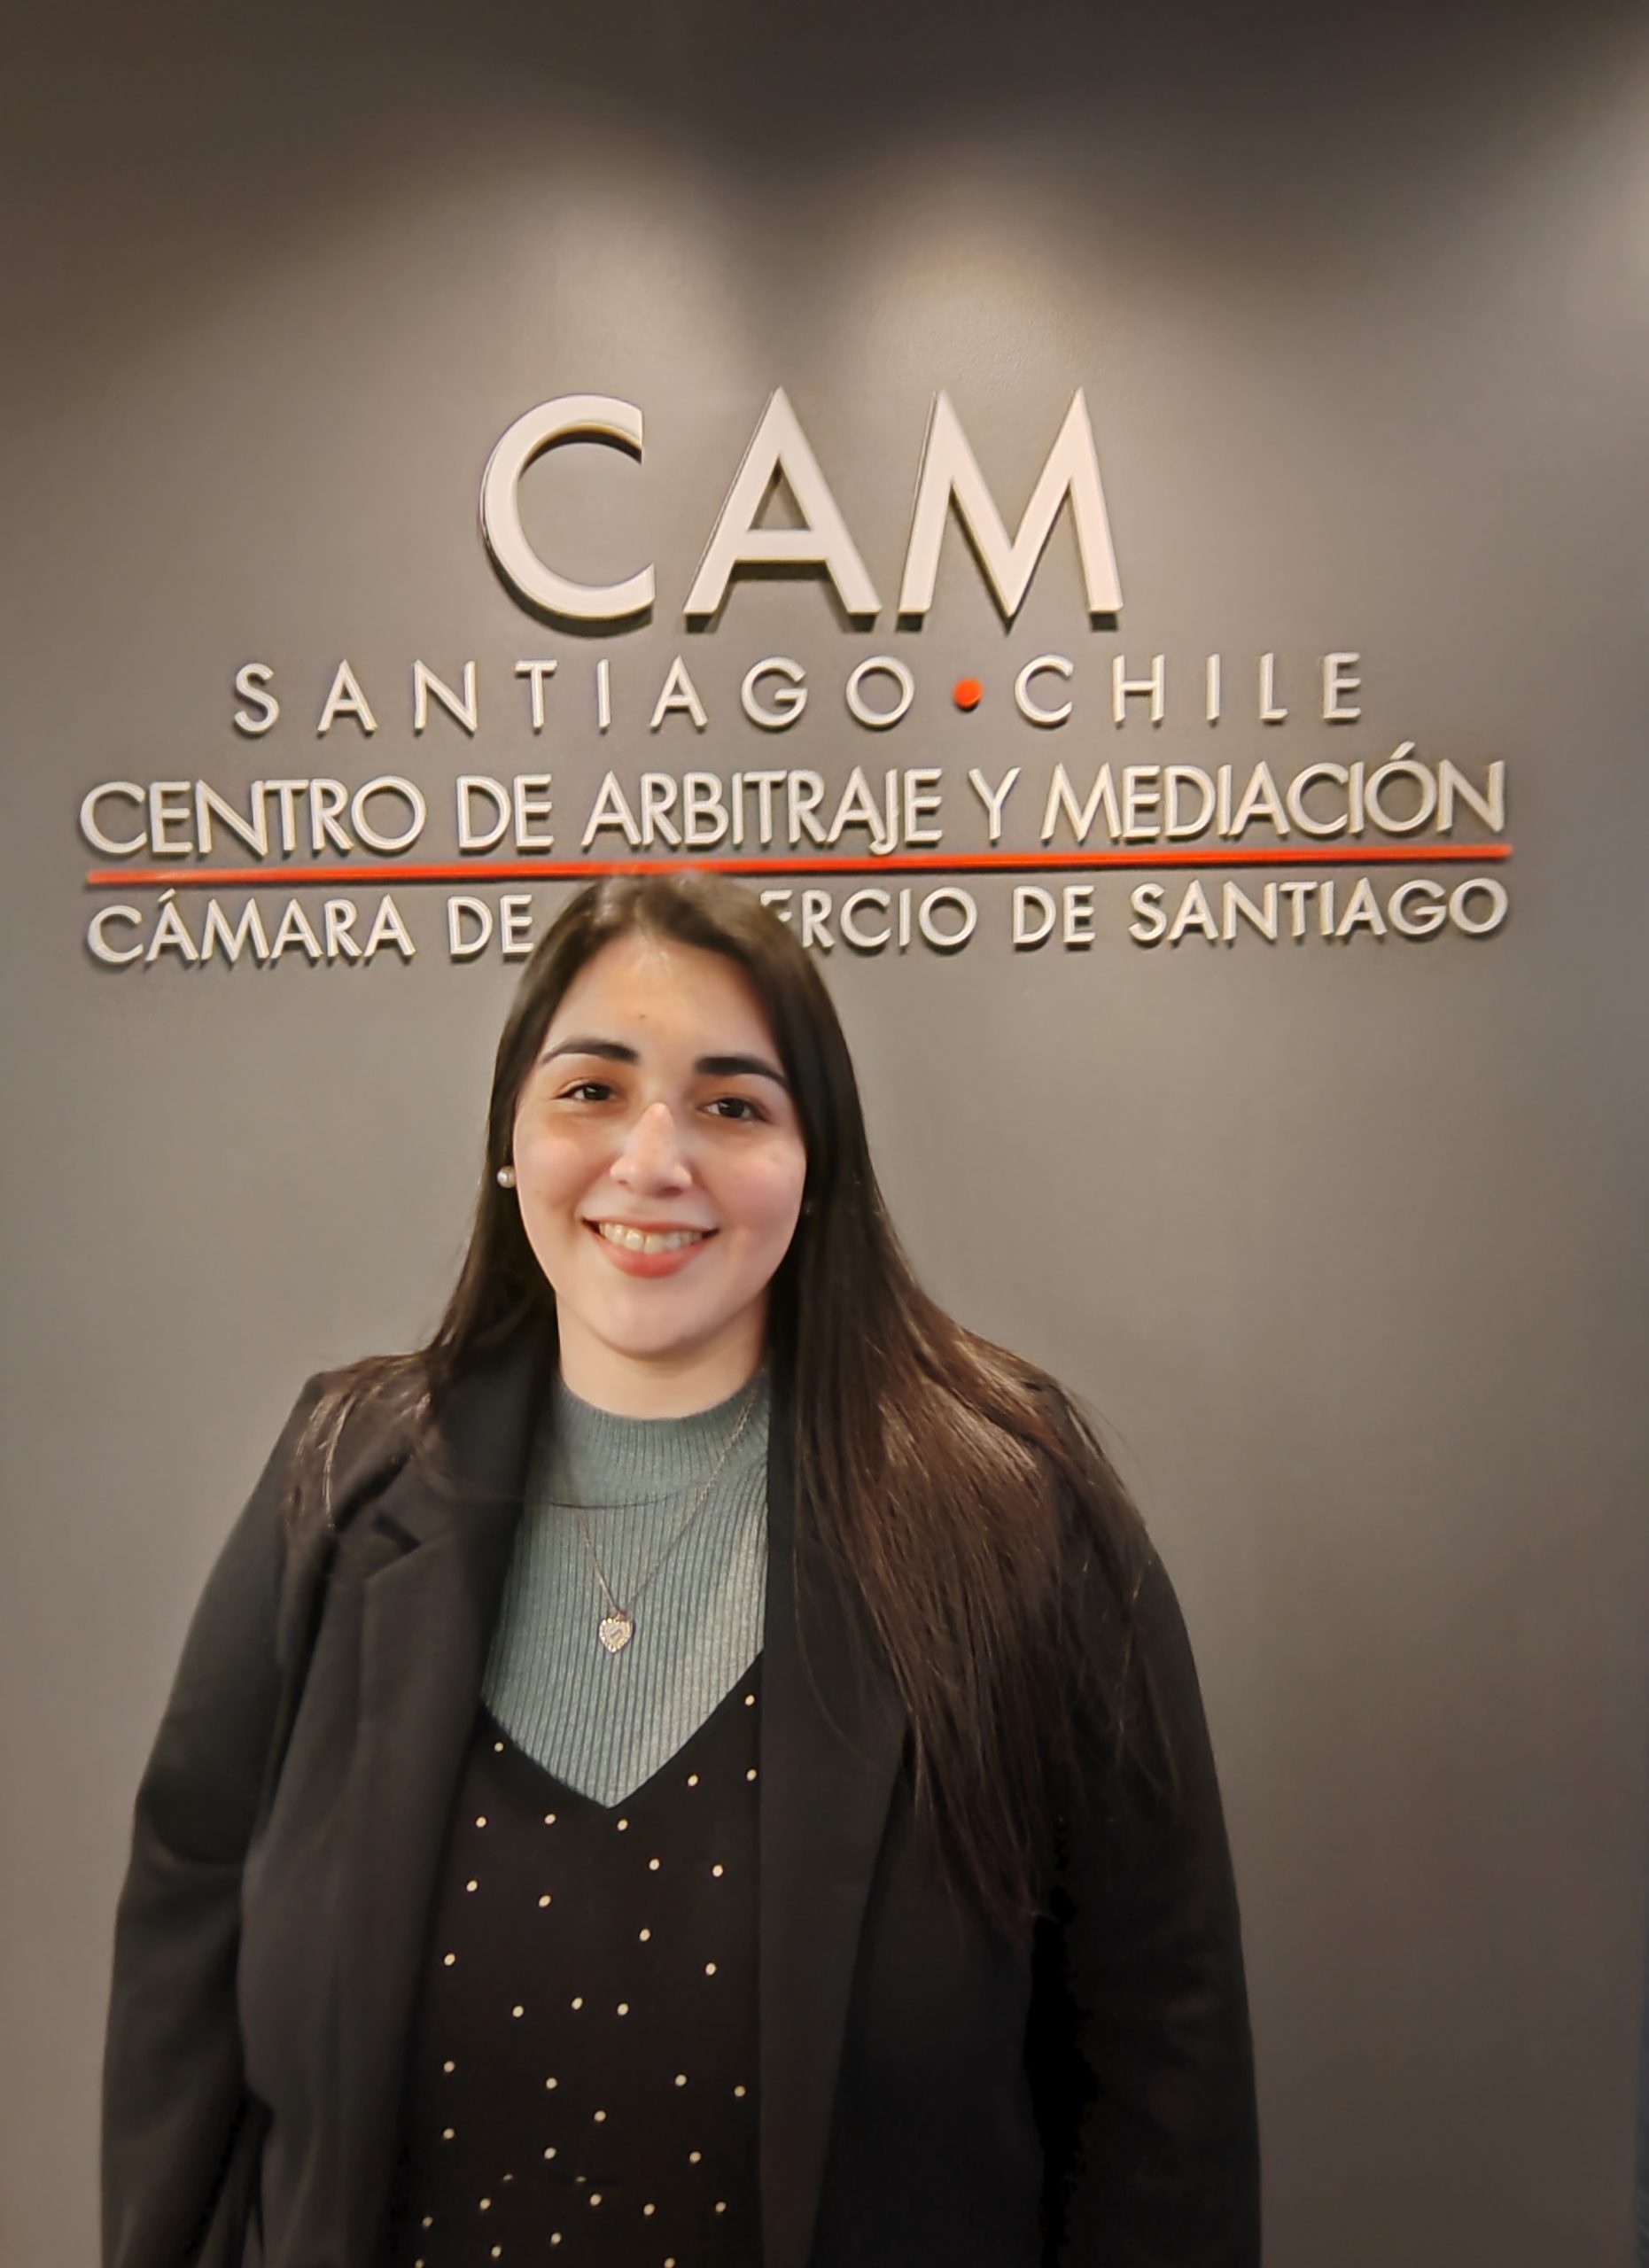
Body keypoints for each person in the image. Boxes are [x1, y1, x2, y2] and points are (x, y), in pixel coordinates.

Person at [102, 872, 1261, 2268]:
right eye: (591, 1090)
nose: (653, 1160)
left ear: (815, 1161)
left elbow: (1160, 2074)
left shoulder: (1013, 1518)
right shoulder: (336, 1488)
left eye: (731, 1104)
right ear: (510, 1139)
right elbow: (182, 1977)